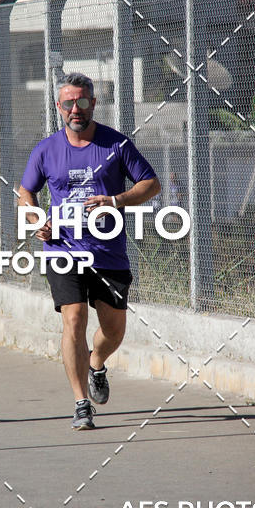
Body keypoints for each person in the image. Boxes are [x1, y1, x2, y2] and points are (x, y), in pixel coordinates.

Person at [18, 73, 161, 431]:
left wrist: (115, 200)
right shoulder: (46, 149)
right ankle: (81, 403)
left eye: (82, 102)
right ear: (59, 107)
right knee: (74, 318)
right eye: (68, 103)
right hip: (63, 249)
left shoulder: (116, 145)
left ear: (93, 103)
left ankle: (96, 362)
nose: (75, 110)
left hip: (108, 252)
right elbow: (25, 192)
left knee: (112, 331)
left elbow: (151, 184)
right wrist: (36, 219)